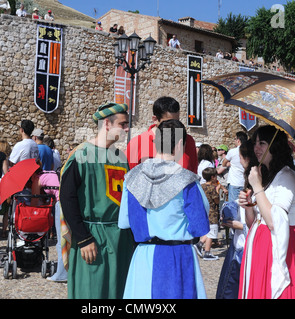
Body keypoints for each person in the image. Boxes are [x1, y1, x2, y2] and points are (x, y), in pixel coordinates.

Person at [119, 119, 210, 298]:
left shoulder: (132, 178)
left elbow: (124, 221)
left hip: (143, 256)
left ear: (156, 142)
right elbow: (200, 225)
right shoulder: (187, 181)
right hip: (178, 256)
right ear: (179, 144)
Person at [59, 102, 134, 299]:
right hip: (93, 237)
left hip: (121, 239)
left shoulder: (120, 157)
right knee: (92, 293)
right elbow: (67, 199)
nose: (127, 129)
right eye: (123, 124)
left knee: (119, 291)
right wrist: (83, 238)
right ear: (107, 124)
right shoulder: (81, 155)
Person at [238, 125, 295, 299]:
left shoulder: (287, 177)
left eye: (262, 143)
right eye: (255, 143)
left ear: (275, 146)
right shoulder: (268, 174)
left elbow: (274, 222)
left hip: (275, 245)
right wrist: (249, 206)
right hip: (259, 243)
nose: (256, 148)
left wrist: (256, 187)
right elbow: (253, 222)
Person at [216, 139, 256, 299]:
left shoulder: (258, 180)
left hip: (244, 245)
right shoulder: (252, 179)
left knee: (231, 290)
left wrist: (239, 225)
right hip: (241, 243)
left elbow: (265, 222)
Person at [125, 96, 198, 173]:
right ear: (155, 119)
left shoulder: (187, 141)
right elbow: (129, 177)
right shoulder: (137, 143)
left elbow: (193, 175)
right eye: (168, 122)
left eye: (177, 121)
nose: (174, 125)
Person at [195, 167, 221, 261]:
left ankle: (200, 244)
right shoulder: (212, 188)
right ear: (213, 177)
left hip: (204, 211)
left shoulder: (201, 186)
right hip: (212, 212)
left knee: (208, 230)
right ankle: (207, 252)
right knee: (212, 233)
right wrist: (218, 190)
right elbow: (217, 201)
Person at [222, 131, 247, 202]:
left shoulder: (233, 151)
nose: (234, 141)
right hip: (245, 183)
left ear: (238, 140)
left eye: (235, 139)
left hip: (234, 182)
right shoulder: (249, 151)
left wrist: (229, 164)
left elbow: (224, 163)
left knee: (233, 206)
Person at [0, 140, 12, 238]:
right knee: (6, 210)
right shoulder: (6, 159)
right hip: (4, 185)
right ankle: (3, 231)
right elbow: (6, 173)